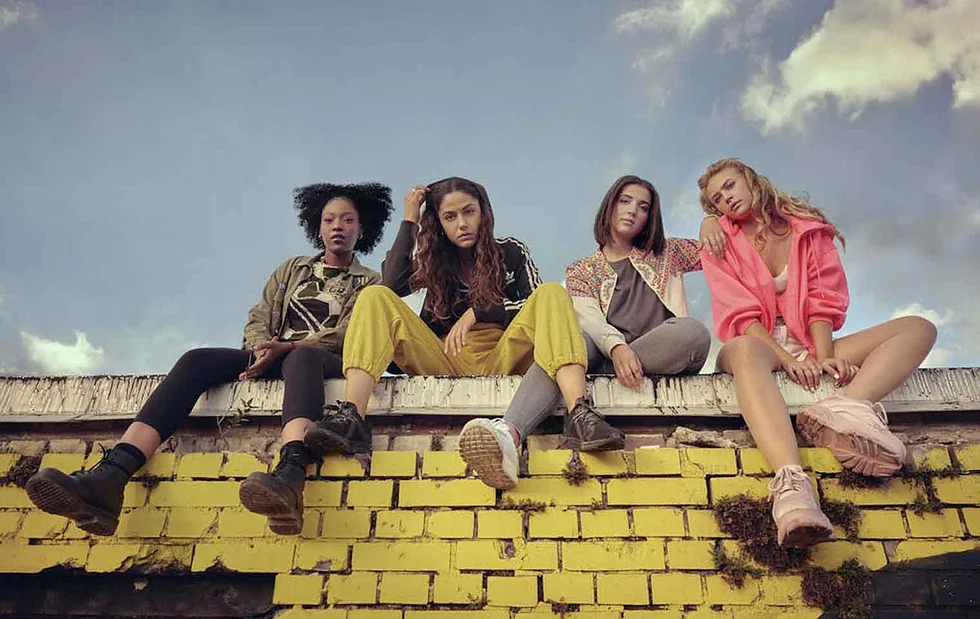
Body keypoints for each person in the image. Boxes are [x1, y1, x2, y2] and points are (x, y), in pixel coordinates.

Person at [26, 182, 393, 536]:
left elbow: (347, 334)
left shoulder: (369, 281)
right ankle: (111, 476)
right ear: (319, 227)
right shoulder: (291, 269)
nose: (337, 227)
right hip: (270, 354)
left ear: (362, 230)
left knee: (303, 358)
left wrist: (289, 349)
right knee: (196, 361)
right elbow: (260, 314)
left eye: (347, 220)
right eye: (329, 220)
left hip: (323, 360)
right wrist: (261, 348)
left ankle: (291, 476)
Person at [302, 176, 604, 490]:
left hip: (504, 353)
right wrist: (410, 218)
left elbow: (536, 304)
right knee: (373, 297)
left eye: (469, 212)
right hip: (443, 358)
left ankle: (580, 414)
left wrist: (480, 313)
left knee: (553, 293)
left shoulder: (510, 251)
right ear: (438, 223)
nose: (462, 223)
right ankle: (352, 416)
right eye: (450, 217)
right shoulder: (432, 260)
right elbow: (390, 284)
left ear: (483, 212)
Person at [698, 158, 936, 548]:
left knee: (918, 328)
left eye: (730, 186)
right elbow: (739, 315)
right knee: (742, 349)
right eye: (717, 199)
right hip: (757, 344)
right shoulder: (718, 241)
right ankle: (791, 485)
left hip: (809, 342)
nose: (727, 199)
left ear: (751, 181)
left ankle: (848, 408)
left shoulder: (806, 229)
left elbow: (822, 302)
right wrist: (788, 361)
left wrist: (823, 358)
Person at [565, 174, 718, 399]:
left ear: (649, 218)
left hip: (665, 356)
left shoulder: (669, 252)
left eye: (643, 207)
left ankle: (609, 374)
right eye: (624, 201)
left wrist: (711, 220)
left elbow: (721, 250)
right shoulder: (581, 270)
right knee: (570, 344)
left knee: (693, 332)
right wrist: (617, 348)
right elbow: (591, 321)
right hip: (610, 354)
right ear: (610, 206)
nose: (632, 211)